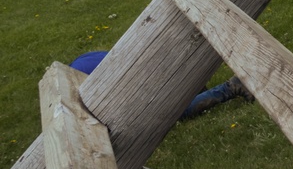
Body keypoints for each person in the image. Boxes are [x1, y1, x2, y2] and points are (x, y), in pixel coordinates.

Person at [69, 51, 254, 120]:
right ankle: (193, 86)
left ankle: (231, 87)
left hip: (148, 79)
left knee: (170, 115)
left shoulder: (81, 84)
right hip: (156, 63)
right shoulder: (80, 61)